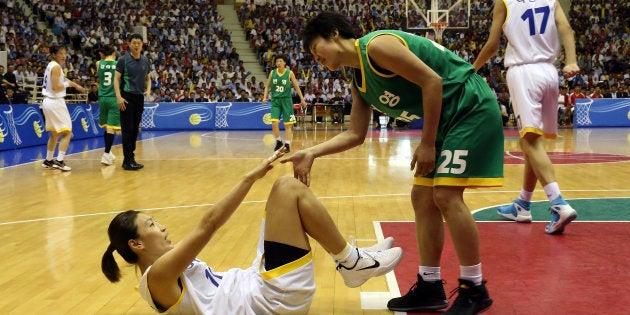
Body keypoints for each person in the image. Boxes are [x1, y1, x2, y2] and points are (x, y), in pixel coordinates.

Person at [286, 12, 504, 314]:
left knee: (446, 195)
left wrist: (427, 143)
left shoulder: (376, 46)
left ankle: (474, 288)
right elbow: (355, 134)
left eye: (315, 50)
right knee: (423, 198)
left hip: (469, 106)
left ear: (334, 34)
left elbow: (432, 80)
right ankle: (430, 286)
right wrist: (312, 152)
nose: (316, 59)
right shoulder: (357, 78)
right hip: (446, 119)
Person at [101, 149, 403, 314]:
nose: (162, 226)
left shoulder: (160, 273)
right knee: (287, 188)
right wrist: (249, 177)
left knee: (282, 200)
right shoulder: (157, 277)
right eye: (151, 224)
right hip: (269, 302)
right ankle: (351, 262)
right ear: (136, 243)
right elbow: (209, 225)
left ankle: (352, 259)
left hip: (255, 286)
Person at [474, 0, 579, 233]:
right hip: (550, 73)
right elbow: (567, 29)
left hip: (524, 73)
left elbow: (492, 44)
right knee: (531, 141)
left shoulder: (504, 2)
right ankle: (523, 204)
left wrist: (473, 68)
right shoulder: (550, 1)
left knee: (530, 142)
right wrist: (571, 60)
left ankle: (558, 203)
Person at [40, 45, 86, 171]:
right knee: (67, 132)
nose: (64, 55)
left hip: (48, 102)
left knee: (55, 133)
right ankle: (59, 161)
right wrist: (68, 84)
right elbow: (56, 86)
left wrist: (75, 85)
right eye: (61, 53)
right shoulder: (56, 67)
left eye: (65, 53)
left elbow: (61, 79)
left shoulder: (51, 65)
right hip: (55, 102)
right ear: (54, 54)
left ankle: (48, 160)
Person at [114, 33, 151, 171]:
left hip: (139, 97)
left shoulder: (146, 61)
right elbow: (116, 79)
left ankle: (130, 158)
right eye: (134, 42)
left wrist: (148, 90)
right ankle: (127, 160)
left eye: (139, 43)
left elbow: (149, 78)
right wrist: (118, 97)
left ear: (142, 45)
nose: (136, 45)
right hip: (126, 97)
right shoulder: (123, 60)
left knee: (135, 130)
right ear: (129, 44)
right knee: (127, 129)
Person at [262, 54, 307, 153]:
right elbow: (267, 86)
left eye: (280, 61)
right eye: (277, 61)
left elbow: (296, 87)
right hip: (275, 101)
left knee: (288, 125)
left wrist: (302, 99)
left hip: (286, 100)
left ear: (285, 63)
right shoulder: (272, 72)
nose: (278, 63)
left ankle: (287, 144)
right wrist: (265, 97)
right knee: (274, 123)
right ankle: (278, 142)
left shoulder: (289, 73)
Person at [97, 45, 120, 166]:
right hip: (113, 97)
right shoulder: (118, 64)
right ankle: (106, 154)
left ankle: (109, 151)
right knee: (111, 127)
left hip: (102, 98)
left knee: (106, 126)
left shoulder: (98, 63)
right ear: (114, 52)